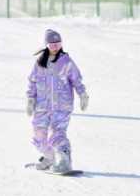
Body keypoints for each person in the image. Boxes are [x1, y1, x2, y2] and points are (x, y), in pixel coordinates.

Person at [26, 29, 89, 173]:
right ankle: (51, 157)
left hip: (62, 105)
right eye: (52, 44)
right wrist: (30, 99)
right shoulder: (40, 62)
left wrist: (83, 94)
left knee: (57, 133)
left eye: (58, 43)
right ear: (46, 45)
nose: (55, 46)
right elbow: (32, 81)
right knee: (38, 135)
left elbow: (77, 80)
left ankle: (64, 161)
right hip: (42, 106)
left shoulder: (66, 61)